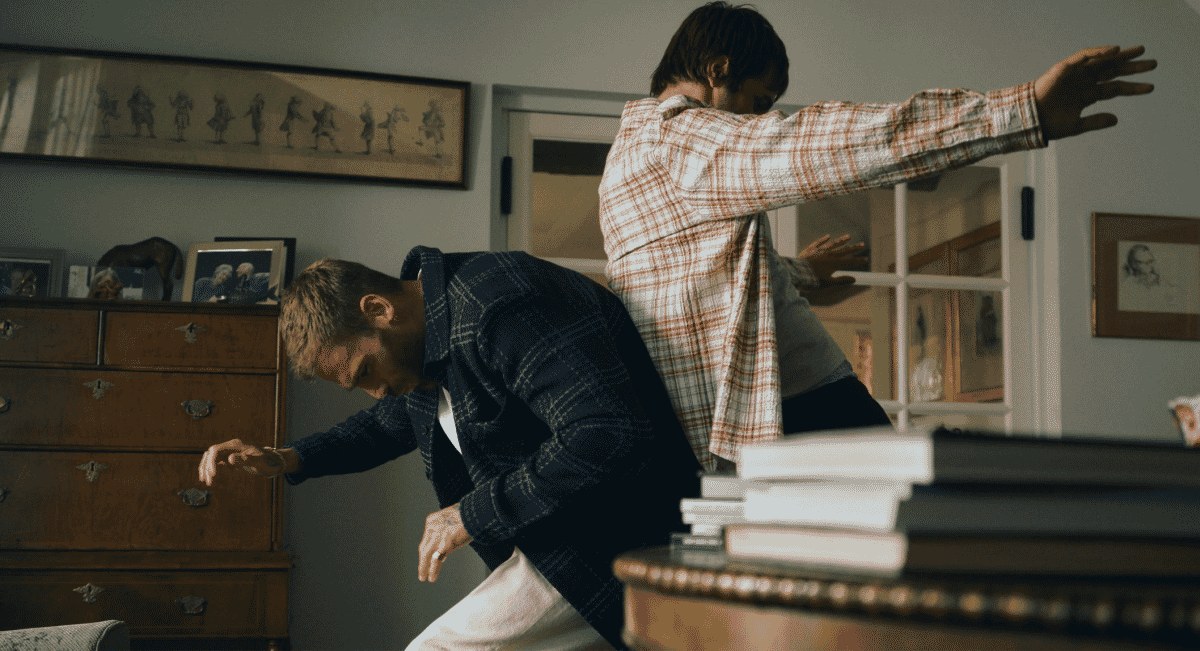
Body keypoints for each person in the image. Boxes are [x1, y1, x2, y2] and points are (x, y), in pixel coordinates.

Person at [598, 1, 1156, 471]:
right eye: (759, 103)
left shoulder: (630, 157)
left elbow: (690, 267)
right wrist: (1021, 111)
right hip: (798, 402)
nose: (758, 119)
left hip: (756, 416)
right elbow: (831, 145)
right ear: (718, 70)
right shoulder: (685, 141)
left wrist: (801, 272)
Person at [197, 248, 702, 650]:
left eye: (366, 372)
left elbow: (606, 432)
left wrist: (470, 514)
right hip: (556, 545)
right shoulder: (424, 341)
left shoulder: (499, 303)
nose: (376, 391)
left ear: (378, 309)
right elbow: (382, 426)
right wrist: (286, 458)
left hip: (615, 540)